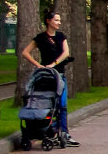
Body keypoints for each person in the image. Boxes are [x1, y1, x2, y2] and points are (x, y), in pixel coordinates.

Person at [21, 10, 79, 146]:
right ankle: (47, 129)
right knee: (47, 104)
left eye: (59, 20)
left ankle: (64, 133)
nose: (59, 23)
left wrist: (54, 64)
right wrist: (39, 65)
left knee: (62, 105)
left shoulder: (61, 36)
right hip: (46, 76)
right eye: (56, 20)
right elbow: (25, 52)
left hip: (59, 74)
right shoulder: (40, 38)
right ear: (48, 21)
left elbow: (66, 53)